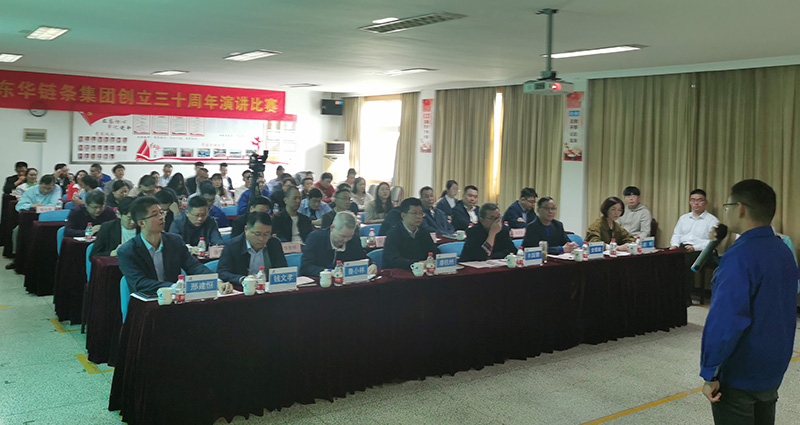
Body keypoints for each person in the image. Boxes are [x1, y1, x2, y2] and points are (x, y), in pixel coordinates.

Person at [700, 179, 799, 425]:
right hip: (774, 364)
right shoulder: (783, 250)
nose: (726, 213)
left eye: (728, 206)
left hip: (740, 369)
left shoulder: (740, 256)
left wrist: (710, 372)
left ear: (740, 208)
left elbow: (725, 321)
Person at [117, 196, 214, 295]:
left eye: (161, 212)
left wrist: (214, 280)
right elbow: (140, 283)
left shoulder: (174, 241)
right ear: (141, 223)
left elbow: (193, 266)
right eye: (155, 215)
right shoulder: (127, 251)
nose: (161, 217)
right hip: (147, 299)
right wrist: (172, 287)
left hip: (175, 298)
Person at [218, 212, 287, 288]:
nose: (261, 239)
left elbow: (282, 268)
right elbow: (223, 272)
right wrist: (242, 279)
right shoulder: (232, 246)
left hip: (268, 288)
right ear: (246, 229)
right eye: (257, 234)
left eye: (266, 234)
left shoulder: (274, 243)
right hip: (243, 289)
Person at [7, 174, 63, 269]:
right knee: (16, 231)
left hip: (48, 219)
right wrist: (32, 206)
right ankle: (17, 258)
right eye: (44, 188)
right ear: (39, 184)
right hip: (31, 220)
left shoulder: (56, 188)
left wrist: (42, 208)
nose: (46, 191)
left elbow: (53, 205)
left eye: (49, 188)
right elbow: (19, 206)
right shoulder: (31, 191)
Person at [299, 211, 377, 277]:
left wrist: (371, 264)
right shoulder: (315, 238)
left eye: (349, 236)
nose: (346, 240)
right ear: (332, 228)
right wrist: (329, 272)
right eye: (342, 236)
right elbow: (306, 267)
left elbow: (362, 258)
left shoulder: (354, 239)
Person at [383, 198, 438, 270]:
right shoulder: (393, 234)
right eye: (414, 213)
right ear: (403, 215)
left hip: (421, 271)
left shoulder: (423, 232)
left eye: (421, 213)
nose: (419, 217)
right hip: (400, 273)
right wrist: (417, 264)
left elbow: (434, 252)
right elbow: (393, 260)